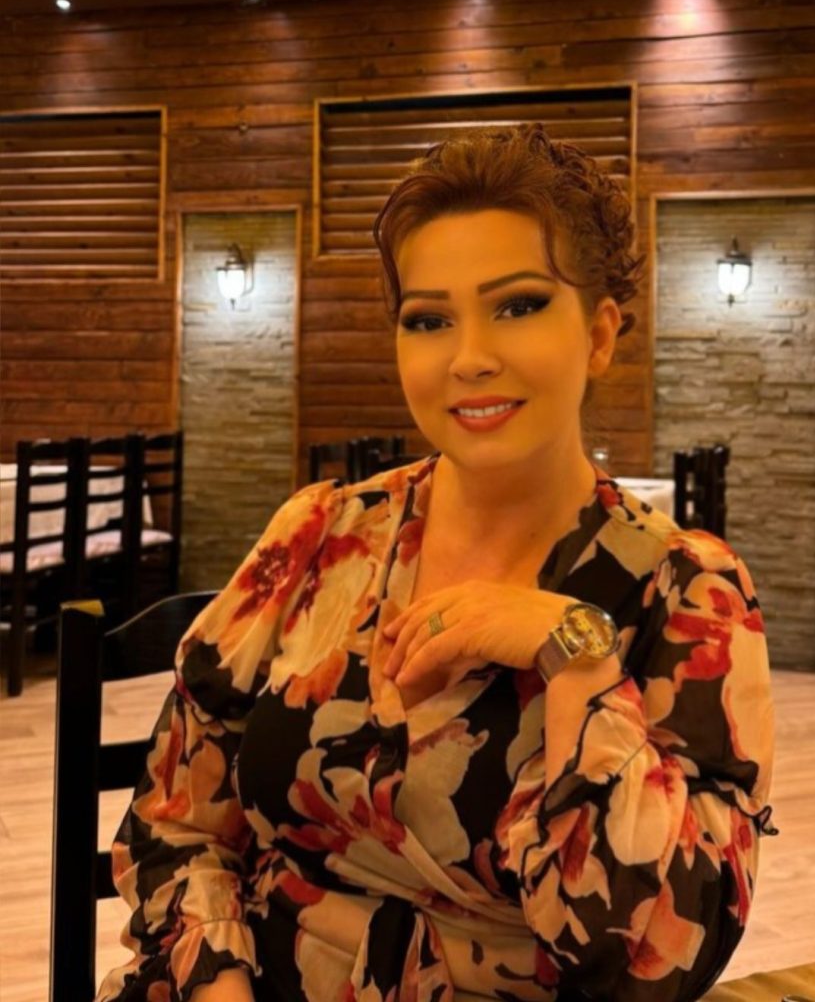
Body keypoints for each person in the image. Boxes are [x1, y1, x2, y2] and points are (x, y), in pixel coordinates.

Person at [96, 123, 776, 1002]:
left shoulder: (689, 595)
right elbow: (175, 822)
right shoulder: (320, 533)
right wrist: (218, 983)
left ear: (601, 334)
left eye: (519, 305)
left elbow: (655, 961)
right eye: (428, 320)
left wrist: (575, 655)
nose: (469, 358)